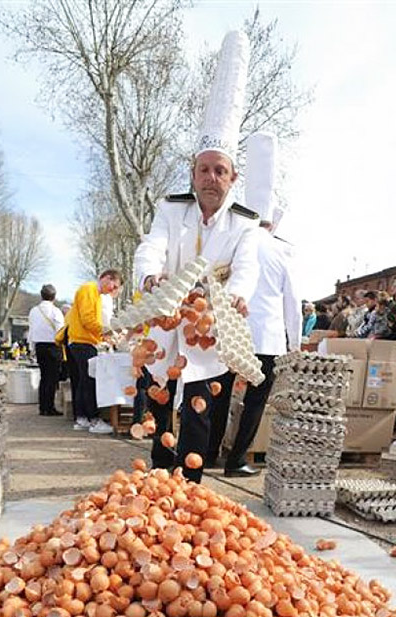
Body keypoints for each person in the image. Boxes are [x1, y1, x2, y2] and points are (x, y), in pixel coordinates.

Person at [134, 30, 259, 483]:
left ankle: (191, 486)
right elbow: (153, 245)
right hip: (169, 324)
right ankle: (158, 478)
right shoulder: (172, 209)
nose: (210, 178)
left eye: (219, 171)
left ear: (232, 177)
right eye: (203, 169)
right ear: (193, 173)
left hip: (213, 328)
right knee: (159, 399)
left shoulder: (245, 224)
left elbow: (247, 269)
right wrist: (149, 276)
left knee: (203, 406)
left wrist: (239, 295)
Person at [206, 131, 301, 477]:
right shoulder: (280, 250)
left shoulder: (233, 240)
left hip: (232, 333)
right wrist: (295, 343)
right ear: (273, 222)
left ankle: (210, 450)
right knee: (254, 402)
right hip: (266, 339)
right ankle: (237, 460)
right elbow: (292, 302)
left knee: (220, 394)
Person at [67, 270, 123, 433]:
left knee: (84, 381)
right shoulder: (89, 290)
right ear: (106, 278)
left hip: (83, 341)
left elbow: (91, 321)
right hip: (82, 342)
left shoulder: (95, 294)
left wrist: (103, 335)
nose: (113, 290)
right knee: (89, 382)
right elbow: (88, 320)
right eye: (114, 286)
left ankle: (82, 418)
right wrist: (106, 331)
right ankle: (93, 419)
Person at [27, 284, 64, 416]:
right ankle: (50, 407)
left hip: (39, 346)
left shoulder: (33, 311)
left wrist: (31, 347)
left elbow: (31, 330)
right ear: (54, 297)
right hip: (53, 346)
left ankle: (42, 407)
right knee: (52, 378)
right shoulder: (56, 311)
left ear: (41, 295)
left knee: (44, 377)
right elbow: (61, 329)